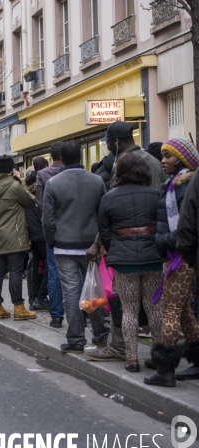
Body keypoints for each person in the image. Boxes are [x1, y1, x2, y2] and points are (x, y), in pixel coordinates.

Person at [98, 152, 163, 373]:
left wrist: (115, 249)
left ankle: (132, 359)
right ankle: (158, 357)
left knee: (129, 310)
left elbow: (104, 232)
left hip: (124, 262)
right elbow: (163, 226)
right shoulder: (155, 195)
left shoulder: (109, 197)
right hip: (153, 258)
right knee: (154, 309)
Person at [43, 141, 109, 353]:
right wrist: (99, 242)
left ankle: (76, 339)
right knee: (94, 290)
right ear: (80, 156)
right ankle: (100, 335)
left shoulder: (53, 183)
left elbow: (47, 220)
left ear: (61, 157)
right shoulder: (97, 181)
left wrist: (52, 241)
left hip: (64, 246)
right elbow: (104, 215)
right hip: (91, 246)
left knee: (70, 292)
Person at [149, 138, 199, 386]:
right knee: (186, 313)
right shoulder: (174, 185)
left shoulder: (184, 187)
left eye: (168, 156)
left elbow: (185, 229)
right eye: (163, 155)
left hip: (181, 258)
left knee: (170, 312)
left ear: (182, 160)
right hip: (175, 256)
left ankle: (165, 369)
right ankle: (198, 361)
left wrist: (159, 240)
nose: (163, 160)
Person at [0, 155, 37, 321]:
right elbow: (31, 201)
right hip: (15, 235)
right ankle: (19, 308)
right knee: (15, 271)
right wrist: (22, 184)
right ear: (13, 169)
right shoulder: (14, 185)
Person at [36, 142, 65, 328]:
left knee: (54, 270)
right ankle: (81, 313)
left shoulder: (43, 175)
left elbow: (40, 204)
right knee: (77, 272)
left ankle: (56, 316)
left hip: (52, 230)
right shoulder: (82, 175)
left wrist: (47, 228)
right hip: (77, 232)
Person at [24, 171, 48, 311]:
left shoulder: (28, 197)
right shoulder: (37, 197)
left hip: (35, 236)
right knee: (49, 267)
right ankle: (40, 297)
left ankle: (34, 298)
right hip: (42, 236)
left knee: (36, 267)